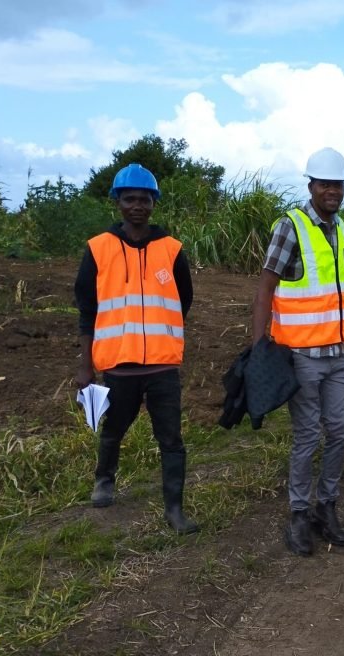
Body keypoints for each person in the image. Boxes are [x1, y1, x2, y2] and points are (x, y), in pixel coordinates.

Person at [74, 163, 198, 534]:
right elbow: (87, 311)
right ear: (118, 202)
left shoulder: (171, 250)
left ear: (154, 203)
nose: (138, 206)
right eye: (130, 199)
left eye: (145, 199)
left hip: (161, 367)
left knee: (171, 439)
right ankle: (104, 480)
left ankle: (174, 509)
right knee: (113, 429)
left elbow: (184, 300)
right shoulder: (98, 249)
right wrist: (86, 367)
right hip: (118, 365)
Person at [250, 147, 344, 557]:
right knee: (308, 435)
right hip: (302, 354)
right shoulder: (290, 226)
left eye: (338, 185)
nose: (332, 191)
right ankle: (298, 513)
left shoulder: (339, 228)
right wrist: (259, 345)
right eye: (325, 184)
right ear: (311, 186)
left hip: (336, 352)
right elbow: (266, 287)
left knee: (342, 430)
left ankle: (325, 508)